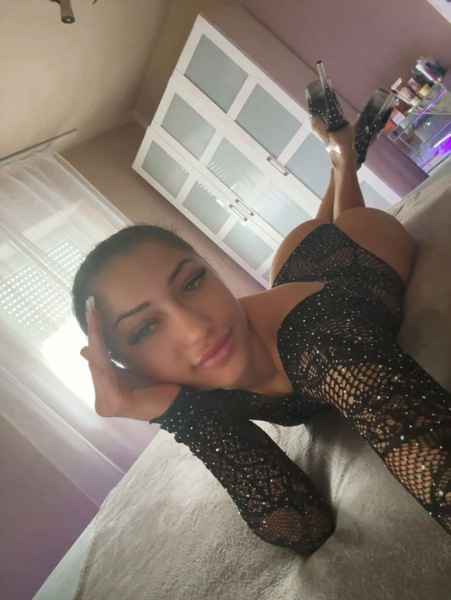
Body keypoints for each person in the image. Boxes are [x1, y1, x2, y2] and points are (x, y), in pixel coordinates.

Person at [72, 62, 451, 556]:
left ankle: (343, 156)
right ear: (125, 365)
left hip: (359, 256)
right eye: (145, 329)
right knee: (322, 222)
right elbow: (301, 524)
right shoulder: (194, 393)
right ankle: (344, 154)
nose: (195, 328)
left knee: (349, 219)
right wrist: (176, 414)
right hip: (292, 266)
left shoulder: (322, 343)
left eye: (192, 282)